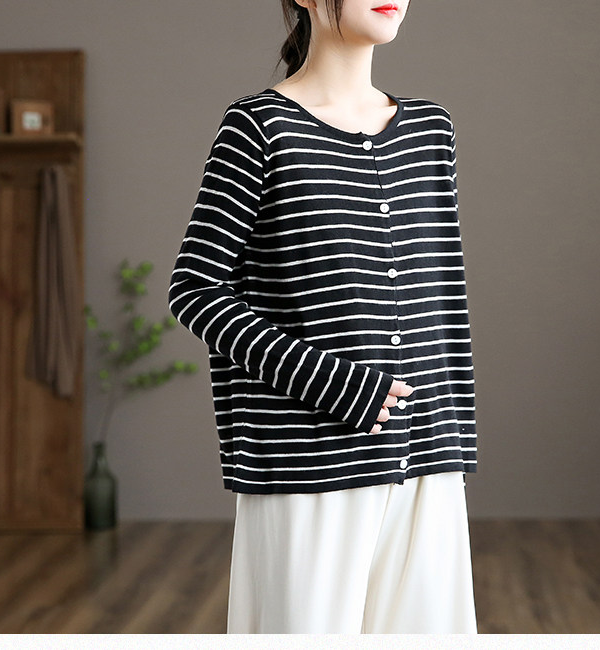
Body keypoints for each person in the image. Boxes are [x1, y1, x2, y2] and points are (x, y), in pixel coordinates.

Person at [168, 0, 479, 634]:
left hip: (428, 455)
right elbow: (195, 289)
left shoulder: (431, 130)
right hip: (308, 460)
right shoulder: (259, 127)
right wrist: (333, 383)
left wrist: (447, 433)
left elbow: (439, 291)